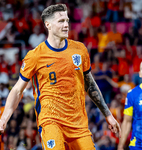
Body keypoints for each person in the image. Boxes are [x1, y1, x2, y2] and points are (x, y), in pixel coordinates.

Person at [0, 4, 121, 150]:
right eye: (61, 21)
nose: (66, 25)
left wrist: (108, 114)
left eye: (67, 21)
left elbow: (89, 85)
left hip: (78, 124)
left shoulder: (80, 50)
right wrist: (4, 118)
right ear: (48, 25)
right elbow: (17, 90)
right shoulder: (35, 56)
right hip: (51, 122)